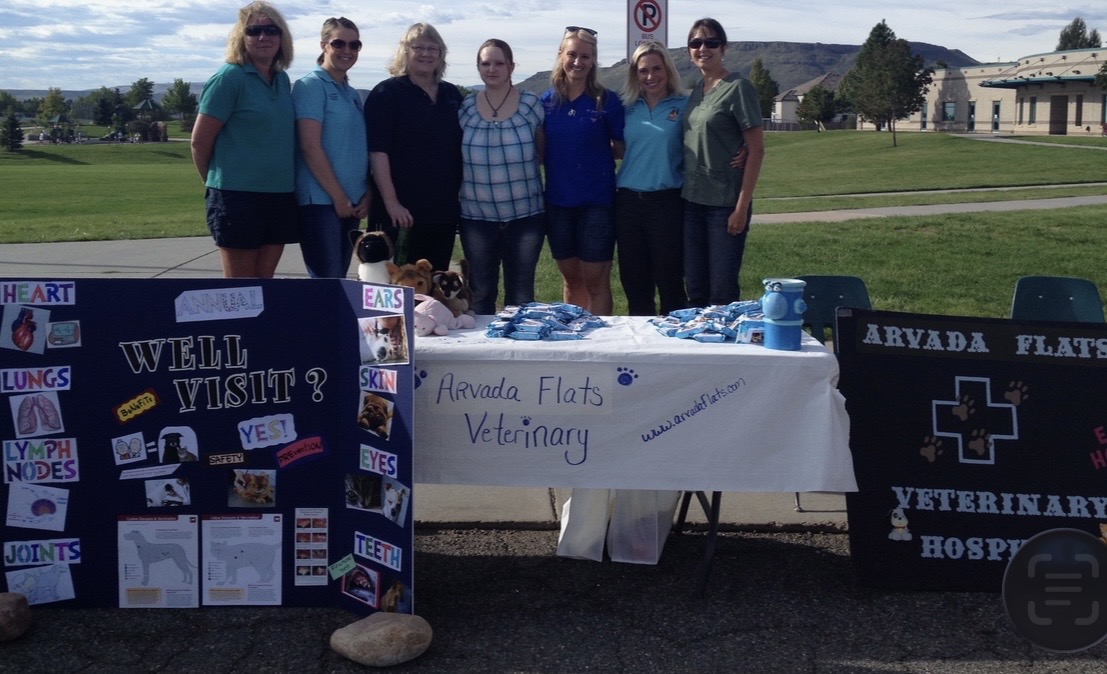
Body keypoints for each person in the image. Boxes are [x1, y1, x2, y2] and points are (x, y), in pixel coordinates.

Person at [191, 1, 297, 279]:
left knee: (265, 284)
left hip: (279, 195)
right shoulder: (229, 77)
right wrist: (217, 185)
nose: (263, 37)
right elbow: (199, 142)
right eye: (253, 31)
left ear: (282, 37)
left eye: (271, 30)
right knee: (239, 289)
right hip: (237, 197)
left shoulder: (282, 80)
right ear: (242, 36)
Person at [364, 23, 463, 273]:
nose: (426, 54)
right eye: (418, 47)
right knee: (394, 285)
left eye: (432, 48)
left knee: (433, 282)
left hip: (442, 211)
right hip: (400, 213)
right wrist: (391, 202)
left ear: (441, 54)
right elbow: (377, 152)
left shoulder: (452, 95)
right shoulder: (386, 93)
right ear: (405, 51)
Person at [541, 27, 624, 315]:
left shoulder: (606, 100)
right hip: (558, 204)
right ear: (561, 55)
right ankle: (575, 336)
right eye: (572, 54)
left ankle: (601, 340)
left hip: (596, 203)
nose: (578, 62)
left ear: (594, 60)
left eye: (585, 56)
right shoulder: (547, 102)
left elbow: (622, 148)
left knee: (596, 282)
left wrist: (593, 155)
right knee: (572, 280)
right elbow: (541, 151)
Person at [682, 17, 765, 306]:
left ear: (723, 48)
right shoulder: (697, 90)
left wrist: (741, 207)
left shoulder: (739, 88)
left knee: (721, 292)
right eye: (696, 43)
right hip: (691, 202)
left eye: (711, 42)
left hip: (724, 205)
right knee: (696, 288)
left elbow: (756, 150)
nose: (703, 48)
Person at [458, 39, 545, 314]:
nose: (492, 69)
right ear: (478, 67)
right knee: (480, 293)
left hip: (525, 215)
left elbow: (542, 152)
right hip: (476, 217)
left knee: (521, 295)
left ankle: (517, 342)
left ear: (511, 67)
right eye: (485, 63)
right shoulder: (466, 107)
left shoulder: (531, 104)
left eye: (499, 63)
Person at [615, 41, 689, 316]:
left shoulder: (685, 104)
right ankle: (641, 340)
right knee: (635, 282)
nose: (650, 76)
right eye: (643, 70)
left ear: (668, 69)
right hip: (628, 203)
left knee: (670, 281)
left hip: (667, 202)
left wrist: (742, 149)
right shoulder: (626, 107)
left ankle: (674, 338)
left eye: (657, 68)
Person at [292, 17, 369, 278]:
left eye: (354, 45)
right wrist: (338, 197)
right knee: (328, 282)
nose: (347, 50)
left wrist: (366, 194)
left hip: (352, 203)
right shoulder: (310, 86)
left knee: (339, 280)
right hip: (322, 202)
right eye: (339, 43)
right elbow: (309, 146)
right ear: (324, 45)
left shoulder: (351, 93)